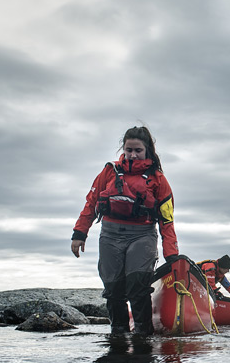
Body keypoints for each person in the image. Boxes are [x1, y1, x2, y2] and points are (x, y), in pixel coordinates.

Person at [70, 126, 179, 335]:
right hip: (110, 235)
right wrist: (79, 233)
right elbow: (91, 202)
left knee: (138, 286)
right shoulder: (110, 171)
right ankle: (118, 333)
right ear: (123, 148)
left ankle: (143, 335)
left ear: (147, 150)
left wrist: (171, 254)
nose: (132, 154)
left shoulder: (158, 179)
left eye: (138, 150)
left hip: (142, 235)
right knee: (113, 289)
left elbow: (167, 219)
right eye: (129, 149)